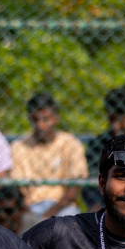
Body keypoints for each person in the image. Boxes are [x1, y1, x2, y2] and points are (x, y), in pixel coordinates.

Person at [10, 93, 89, 224]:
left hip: (63, 205)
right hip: (30, 207)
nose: (40, 125)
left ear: (56, 118)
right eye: (35, 120)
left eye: (46, 119)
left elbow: (75, 186)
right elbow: (18, 190)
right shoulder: (19, 147)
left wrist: (50, 213)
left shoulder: (70, 144)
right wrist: (29, 212)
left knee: (67, 222)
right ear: (29, 119)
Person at [86, 87, 125, 178]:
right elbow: (92, 184)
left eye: (120, 120)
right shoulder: (98, 145)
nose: (115, 126)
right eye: (111, 119)